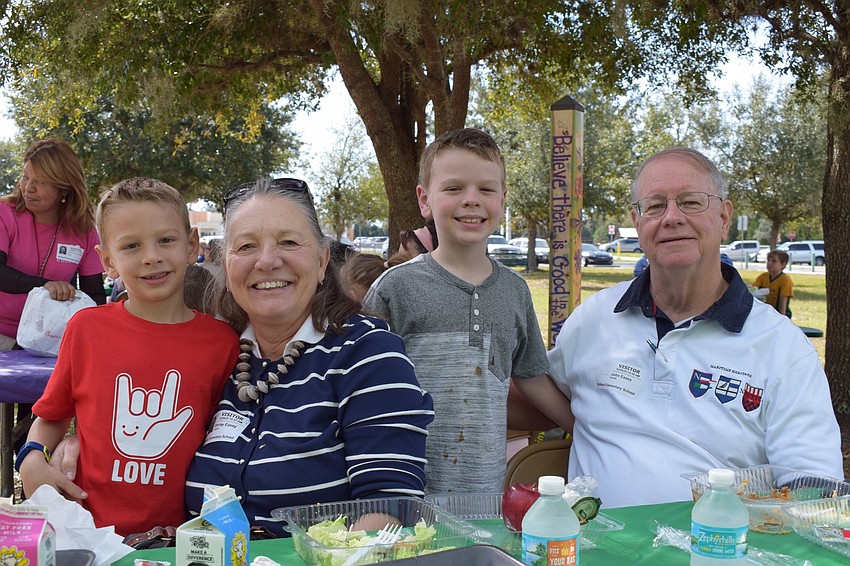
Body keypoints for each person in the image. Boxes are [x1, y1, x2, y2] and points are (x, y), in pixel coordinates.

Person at [547, 148, 842, 508]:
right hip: (591, 549)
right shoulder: (594, 319)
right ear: (637, 223)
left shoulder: (783, 349)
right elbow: (539, 392)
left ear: (723, 216)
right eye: (655, 206)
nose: (671, 218)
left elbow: (813, 490)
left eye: (690, 202)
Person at [185, 178, 434, 536]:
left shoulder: (367, 352)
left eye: (288, 242)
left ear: (322, 261)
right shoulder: (215, 355)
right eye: (246, 246)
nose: (267, 260)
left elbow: (390, 506)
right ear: (226, 266)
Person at [18, 177, 240, 537]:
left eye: (166, 240)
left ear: (191, 245)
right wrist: (30, 458)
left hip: (183, 539)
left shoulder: (222, 342)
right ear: (107, 260)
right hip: (88, 533)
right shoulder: (86, 329)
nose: (151, 256)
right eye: (131, 245)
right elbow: (51, 417)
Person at [364, 128, 573, 494]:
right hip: (403, 495)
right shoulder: (394, 289)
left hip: (484, 497)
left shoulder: (515, 291)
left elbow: (531, 375)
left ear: (503, 200)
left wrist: (583, 424)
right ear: (425, 200)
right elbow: (361, 388)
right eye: (454, 188)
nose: (471, 200)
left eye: (486, 189)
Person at [0, 138, 106, 349]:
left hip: (49, 343)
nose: (28, 188)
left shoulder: (84, 231)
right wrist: (45, 285)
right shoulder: (5, 213)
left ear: (64, 189)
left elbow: (94, 298)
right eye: (25, 177)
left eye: (41, 182)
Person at [754, 249, 793, 317]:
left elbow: (783, 301)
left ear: (783, 264)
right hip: (764, 312)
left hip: (778, 313)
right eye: (768, 260)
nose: (769, 263)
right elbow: (753, 289)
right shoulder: (763, 277)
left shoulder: (785, 280)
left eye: (774, 261)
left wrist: (781, 318)